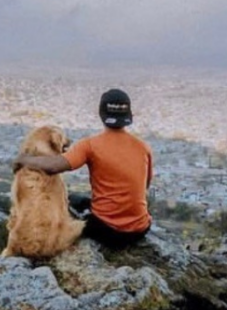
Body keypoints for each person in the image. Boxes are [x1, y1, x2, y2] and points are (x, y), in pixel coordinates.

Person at [13, 88, 153, 248]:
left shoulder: (90, 145)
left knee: (68, 202)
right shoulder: (143, 147)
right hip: (140, 230)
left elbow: (54, 166)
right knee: (82, 201)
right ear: (129, 115)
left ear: (101, 113)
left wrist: (24, 159)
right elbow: (145, 186)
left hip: (107, 231)